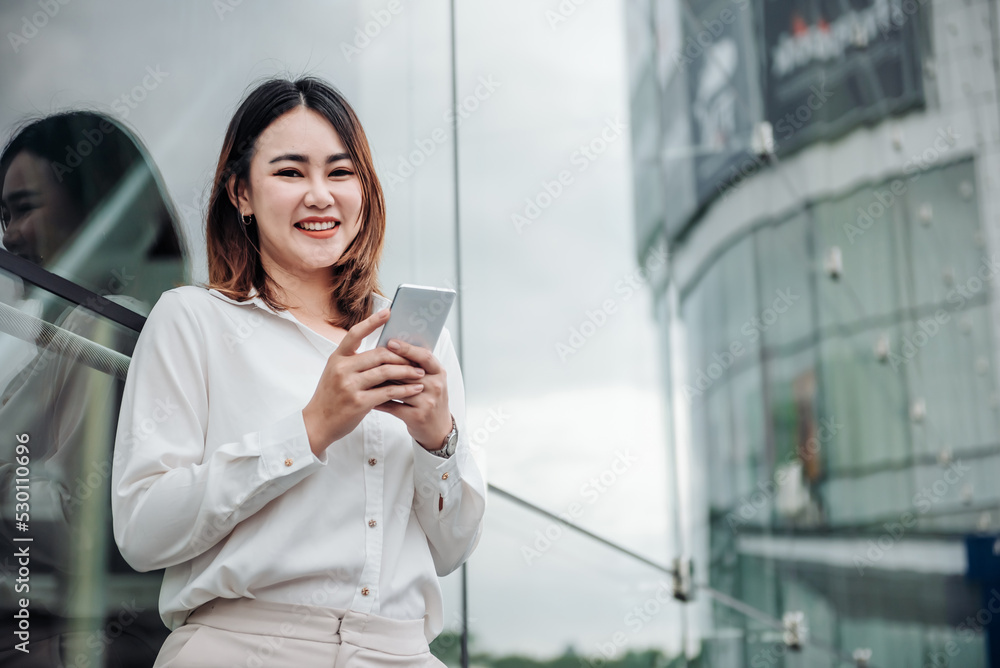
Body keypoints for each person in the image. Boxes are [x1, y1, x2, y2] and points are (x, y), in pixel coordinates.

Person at [110, 76, 487, 667]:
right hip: (243, 648)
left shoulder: (418, 342)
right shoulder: (193, 320)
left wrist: (439, 441)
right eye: (290, 173)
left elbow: (452, 547)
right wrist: (310, 429)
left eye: (340, 173)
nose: (320, 195)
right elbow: (143, 529)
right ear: (241, 192)